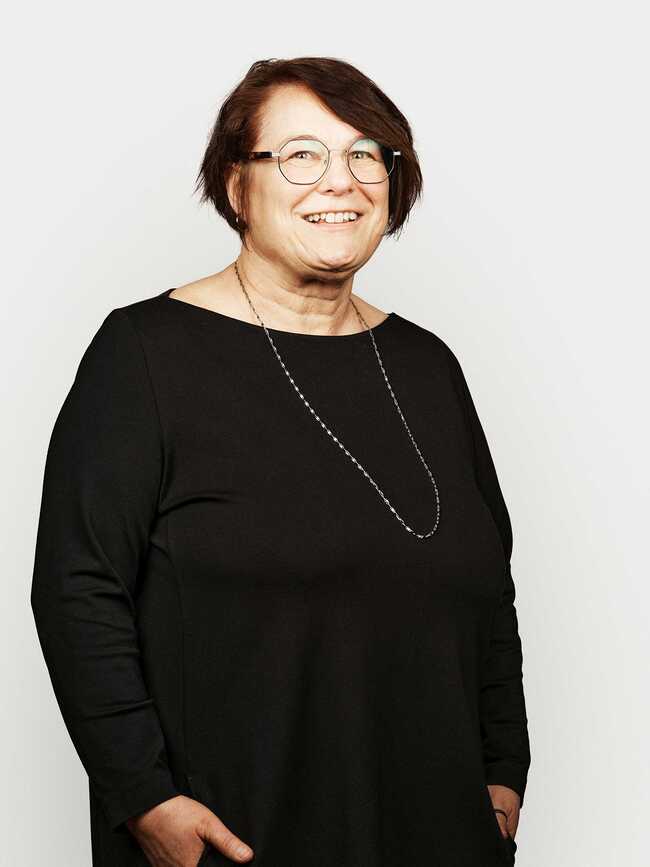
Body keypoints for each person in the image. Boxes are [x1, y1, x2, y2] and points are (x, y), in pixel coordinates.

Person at [30, 56, 531, 866]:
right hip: (238, 839)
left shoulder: (428, 365)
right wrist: (145, 798)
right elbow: (76, 589)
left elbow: (488, 589)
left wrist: (505, 768)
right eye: (301, 154)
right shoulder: (144, 354)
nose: (341, 180)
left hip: (441, 834)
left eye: (366, 155)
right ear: (238, 186)